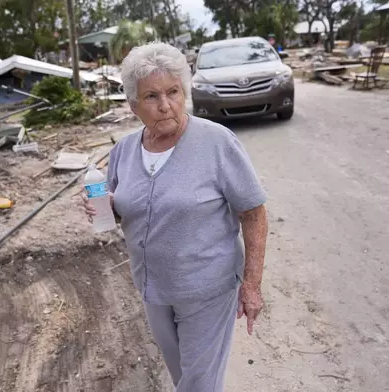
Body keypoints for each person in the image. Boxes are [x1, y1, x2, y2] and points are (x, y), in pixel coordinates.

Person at [82, 42, 268, 392]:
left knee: (198, 385)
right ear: (133, 105)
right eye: (151, 96)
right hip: (153, 288)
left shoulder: (216, 143)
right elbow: (125, 208)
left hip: (207, 289)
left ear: (185, 92)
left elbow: (253, 212)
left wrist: (252, 285)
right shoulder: (123, 151)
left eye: (173, 92)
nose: (165, 105)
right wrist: (104, 206)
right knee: (183, 375)